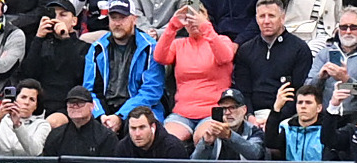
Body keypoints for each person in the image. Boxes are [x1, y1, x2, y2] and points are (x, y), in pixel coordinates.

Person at [155, 0, 238, 143]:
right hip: (183, 112)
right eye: (188, 19)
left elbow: (225, 56)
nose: (192, 23)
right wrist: (173, 26)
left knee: (203, 138)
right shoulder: (179, 44)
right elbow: (159, 57)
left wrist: (205, 27)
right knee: (166, 140)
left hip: (212, 110)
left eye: (195, 18)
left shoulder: (222, 40)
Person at [83, 0, 164, 134]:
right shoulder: (96, 48)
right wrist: (100, 115)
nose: (117, 23)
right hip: (104, 110)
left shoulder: (150, 48)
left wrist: (121, 116)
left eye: (123, 17)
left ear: (134, 19)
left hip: (140, 109)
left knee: (140, 128)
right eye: (113, 18)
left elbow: (151, 91)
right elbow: (88, 90)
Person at [232, 0, 311, 113]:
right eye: (262, 16)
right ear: (256, 19)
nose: (266, 21)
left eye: (272, 16)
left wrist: (274, 118)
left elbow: (298, 91)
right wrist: (250, 116)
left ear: (282, 18)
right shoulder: (246, 50)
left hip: (285, 116)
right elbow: (244, 91)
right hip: (253, 117)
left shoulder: (300, 49)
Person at [20, 0, 90, 115]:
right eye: (53, 15)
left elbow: (78, 74)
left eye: (63, 15)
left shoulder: (84, 47)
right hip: (40, 105)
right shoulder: (42, 44)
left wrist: (65, 39)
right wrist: (38, 38)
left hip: (68, 105)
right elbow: (28, 74)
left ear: (74, 21)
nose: (57, 19)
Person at [306, 5, 357, 118]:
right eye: (343, 27)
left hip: (354, 117)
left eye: (353, 27)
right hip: (325, 115)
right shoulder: (325, 53)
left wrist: (345, 79)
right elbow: (307, 89)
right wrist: (320, 78)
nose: (348, 32)